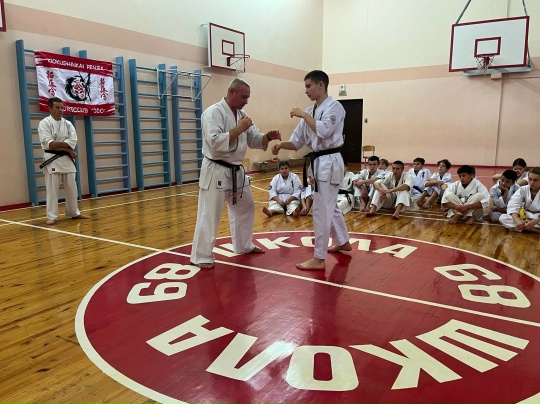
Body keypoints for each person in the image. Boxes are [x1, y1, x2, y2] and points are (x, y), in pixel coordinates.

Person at [190, 78, 282, 269]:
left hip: (236, 171)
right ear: (231, 92)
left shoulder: (242, 114)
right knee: (209, 214)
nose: (246, 101)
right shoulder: (213, 113)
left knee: (246, 206)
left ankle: (243, 245)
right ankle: (201, 256)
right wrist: (240, 128)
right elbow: (215, 142)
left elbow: (253, 139)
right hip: (215, 169)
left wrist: (267, 137)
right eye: (243, 97)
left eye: (248, 97)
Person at [271, 70, 351, 270]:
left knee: (321, 210)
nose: (306, 90)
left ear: (320, 85)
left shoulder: (335, 107)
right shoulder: (310, 111)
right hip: (319, 162)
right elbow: (297, 142)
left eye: (309, 86)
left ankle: (319, 258)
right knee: (330, 206)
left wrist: (304, 115)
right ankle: (343, 241)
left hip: (330, 160)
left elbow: (323, 130)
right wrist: (281, 145)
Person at [38, 97, 89, 225]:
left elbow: (73, 142)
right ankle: (52, 216)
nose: (60, 110)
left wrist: (63, 146)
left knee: (72, 188)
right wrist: (67, 149)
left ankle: (74, 212)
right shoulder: (44, 123)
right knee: (52, 189)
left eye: (62, 107)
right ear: (50, 108)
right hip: (52, 159)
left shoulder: (68, 124)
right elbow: (50, 144)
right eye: (57, 107)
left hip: (67, 160)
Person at [499, 167, 540, 233]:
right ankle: (532, 229)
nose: (532, 182)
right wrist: (517, 221)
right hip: (526, 217)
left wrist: (534, 222)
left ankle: (529, 228)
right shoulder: (523, 189)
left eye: (535, 180)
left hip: (538, 219)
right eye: (530, 179)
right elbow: (513, 204)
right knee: (503, 218)